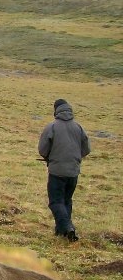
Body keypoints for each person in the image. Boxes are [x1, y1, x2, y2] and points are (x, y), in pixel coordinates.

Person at [38, 99, 91, 241]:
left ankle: (68, 227)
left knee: (55, 202)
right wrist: (74, 158)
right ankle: (61, 232)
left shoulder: (52, 127)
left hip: (57, 171)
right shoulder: (78, 127)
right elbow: (86, 149)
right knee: (66, 201)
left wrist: (50, 157)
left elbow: (42, 149)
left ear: (56, 110)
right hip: (73, 172)